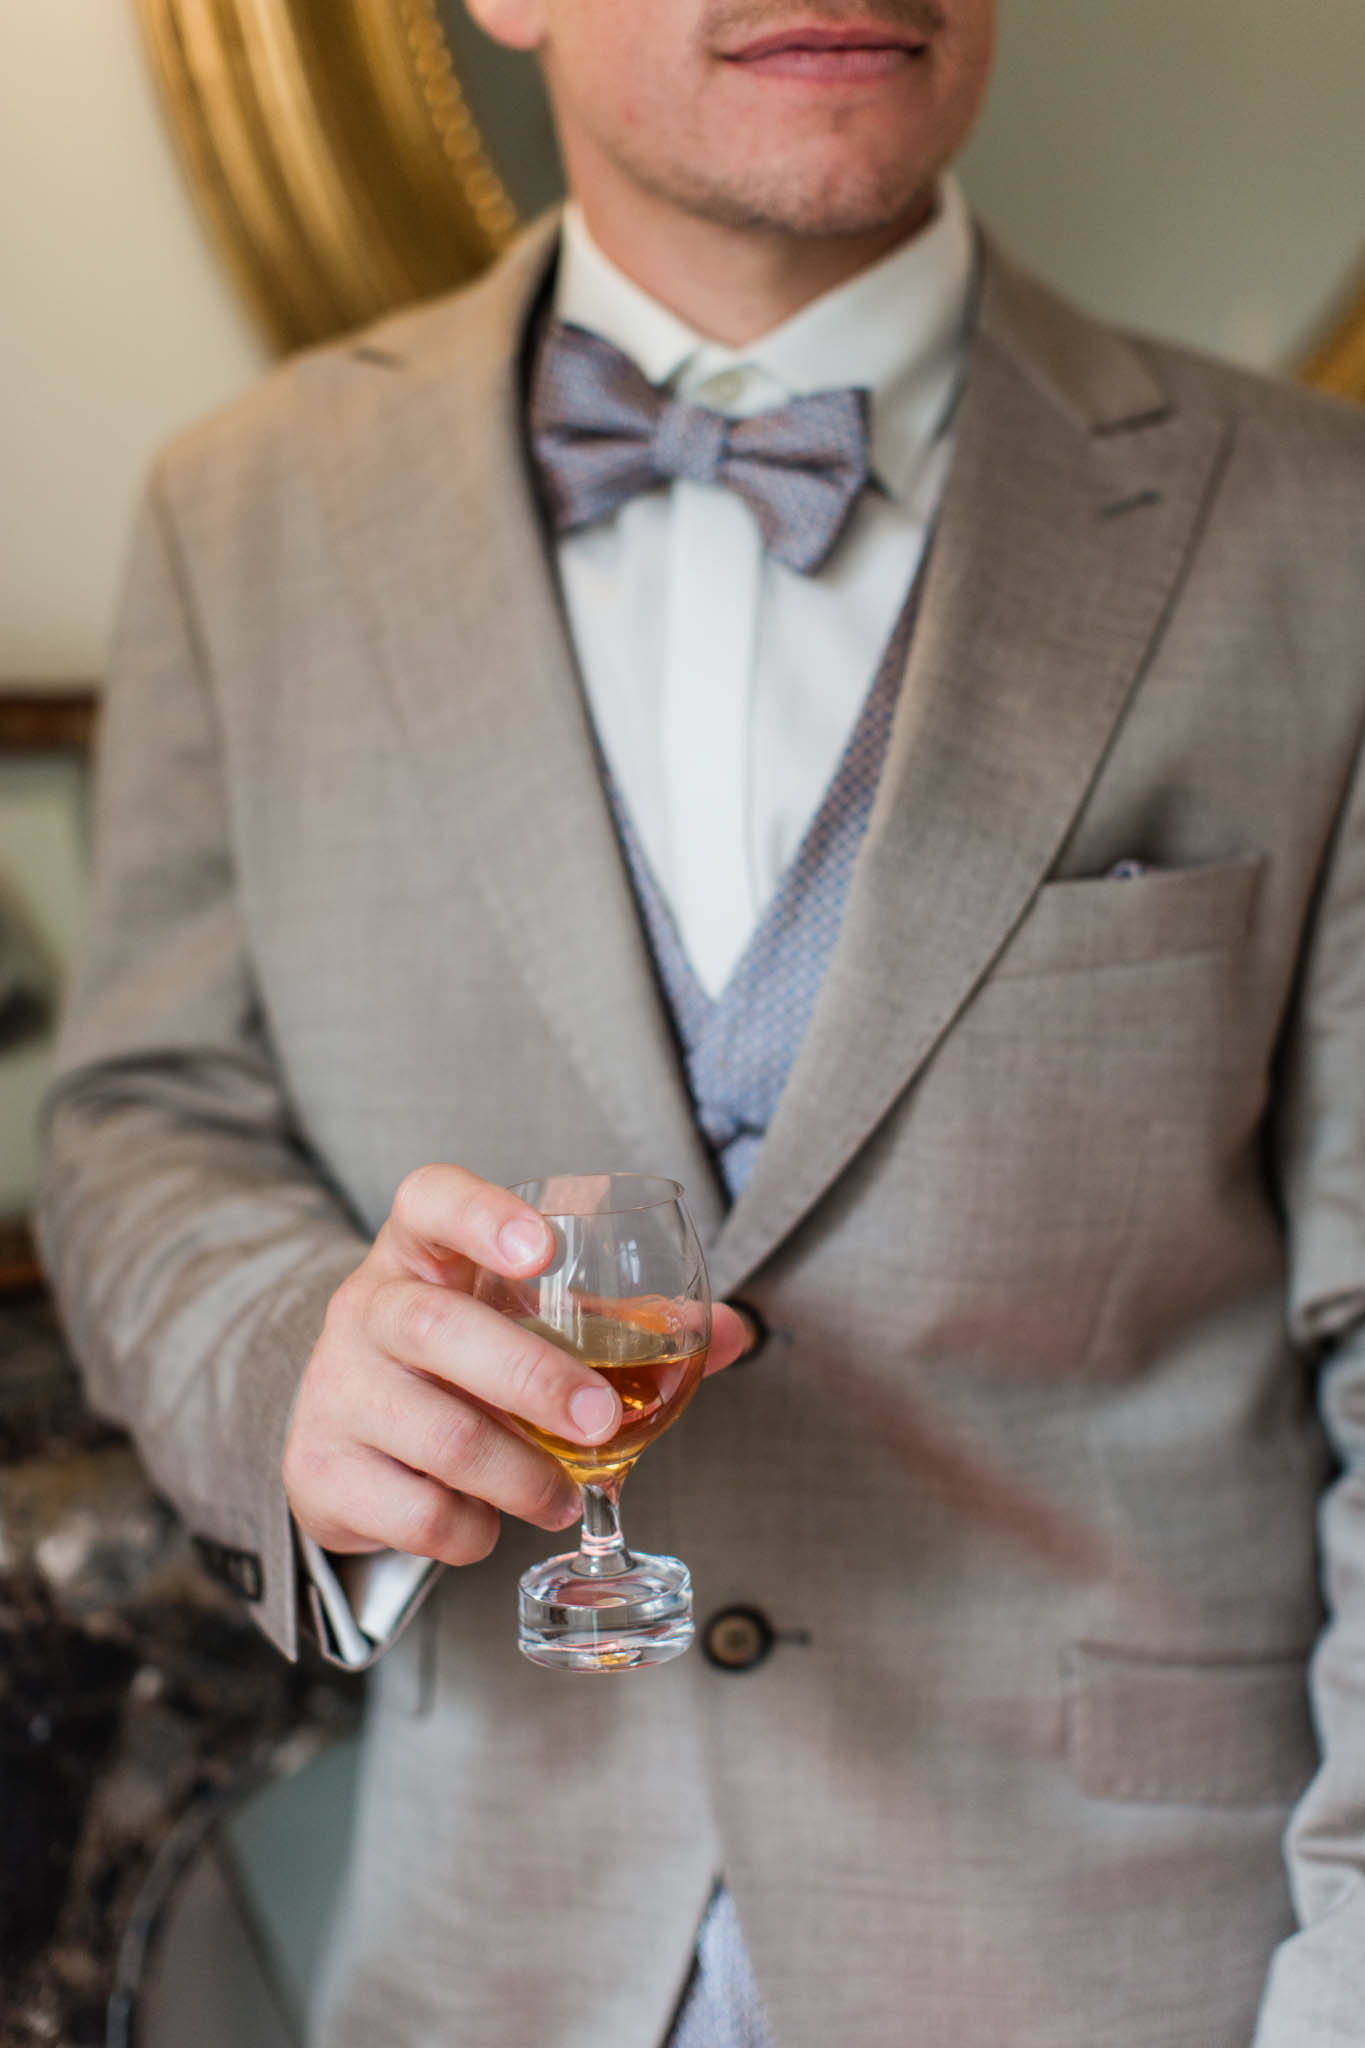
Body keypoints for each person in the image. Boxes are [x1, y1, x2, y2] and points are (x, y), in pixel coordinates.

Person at [36, 0, 1365, 2041]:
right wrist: (288, 1356)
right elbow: (146, 1115)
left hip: (1149, 1961)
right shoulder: (248, 512)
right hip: (486, 1942)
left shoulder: (1315, 529)